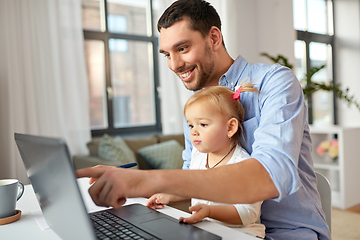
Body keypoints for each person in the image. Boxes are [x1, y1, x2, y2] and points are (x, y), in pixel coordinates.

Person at [76, 0, 331, 239]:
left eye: (182, 48)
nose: (174, 64)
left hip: (286, 233)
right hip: (223, 231)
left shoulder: (276, 82)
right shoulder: (198, 106)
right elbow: (193, 176)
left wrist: (146, 179)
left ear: (214, 38)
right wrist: (141, 184)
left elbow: (272, 175)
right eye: (166, 54)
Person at [146, 84, 265, 238]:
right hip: (207, 232)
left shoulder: (244, 166)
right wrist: (167, 196)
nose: (194, 131)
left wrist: (209, 211)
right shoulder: (198, 155)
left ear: (230, 128)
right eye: (191, 125)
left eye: (203, 124)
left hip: (242, 235)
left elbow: (247, 214)